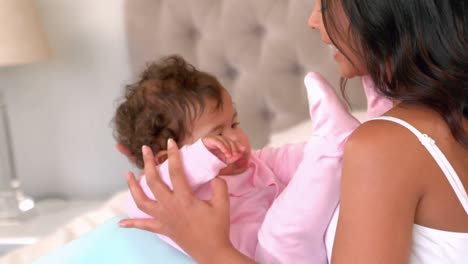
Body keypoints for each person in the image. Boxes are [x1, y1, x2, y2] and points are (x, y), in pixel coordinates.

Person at [119, 0, 468, 263]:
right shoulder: (438, 122)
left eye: (326, 2)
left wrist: (212, 250)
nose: (313, 19)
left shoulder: (385, 146)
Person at [113, 55, 388, 261]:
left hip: (318, 247)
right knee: (280, 231)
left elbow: (291, 159)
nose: (235, 138)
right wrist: (204, 154)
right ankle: (334, 145)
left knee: (331, 169)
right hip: (262, 256)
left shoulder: (250, 163)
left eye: (234, 124)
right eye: (217, 133)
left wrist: (342, 147)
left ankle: (374, 132)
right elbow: (144, 195)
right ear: (166, 159)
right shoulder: (163, 194)